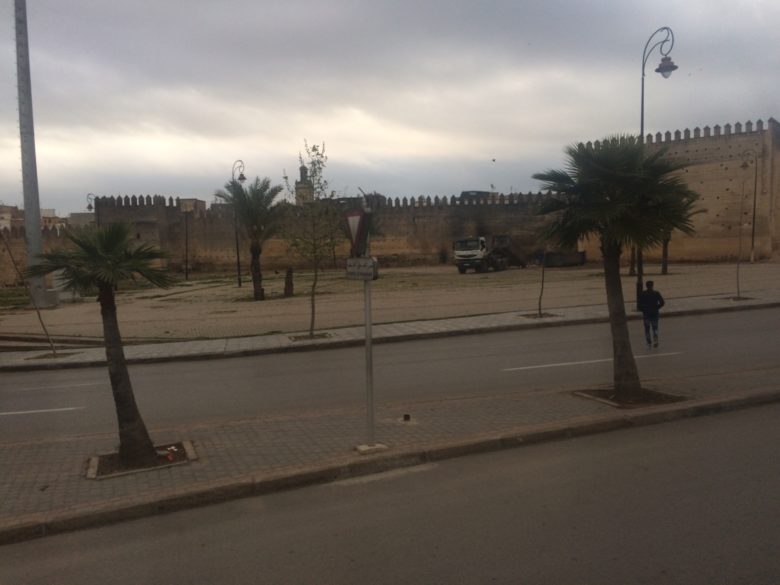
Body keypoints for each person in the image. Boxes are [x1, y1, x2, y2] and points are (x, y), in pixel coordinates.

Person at [638, 280, 665, 348]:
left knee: (647, 329)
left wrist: (643, 310)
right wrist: (657, 307)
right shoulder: (656, 293)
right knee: (655, 328)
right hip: (654, 313)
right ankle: (655, 341)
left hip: (646, 313)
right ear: (652, 286)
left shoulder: (643, 294)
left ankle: (649, 342)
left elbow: (639, 305)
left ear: (646, 286)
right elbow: (662, 302)